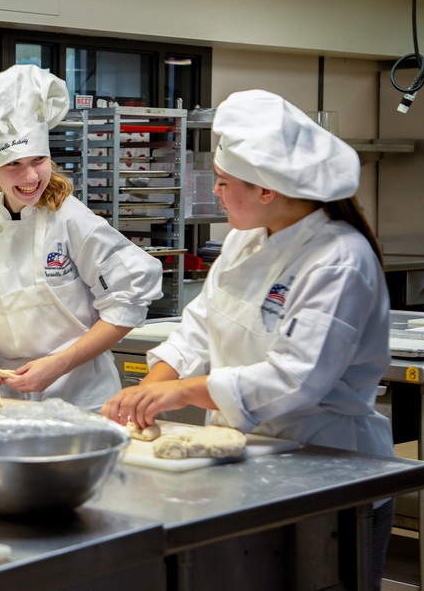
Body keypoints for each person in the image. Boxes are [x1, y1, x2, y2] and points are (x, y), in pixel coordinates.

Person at [101, 89, 395, 587]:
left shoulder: (339, 258)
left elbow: (298, 378)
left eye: (222, 182)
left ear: (266, 190)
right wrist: (155, 382)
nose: (215, 192)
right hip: (249, 461)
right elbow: (200, 322)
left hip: (330, 465)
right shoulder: (243, 240)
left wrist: (182, 393)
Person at [0, 64, 163, 412]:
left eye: (38, 160)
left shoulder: (72, 220)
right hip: (7, 399)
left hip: (80, 399)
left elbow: (128, 302)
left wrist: (59, 364)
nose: (30, 175)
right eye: (13, 165)